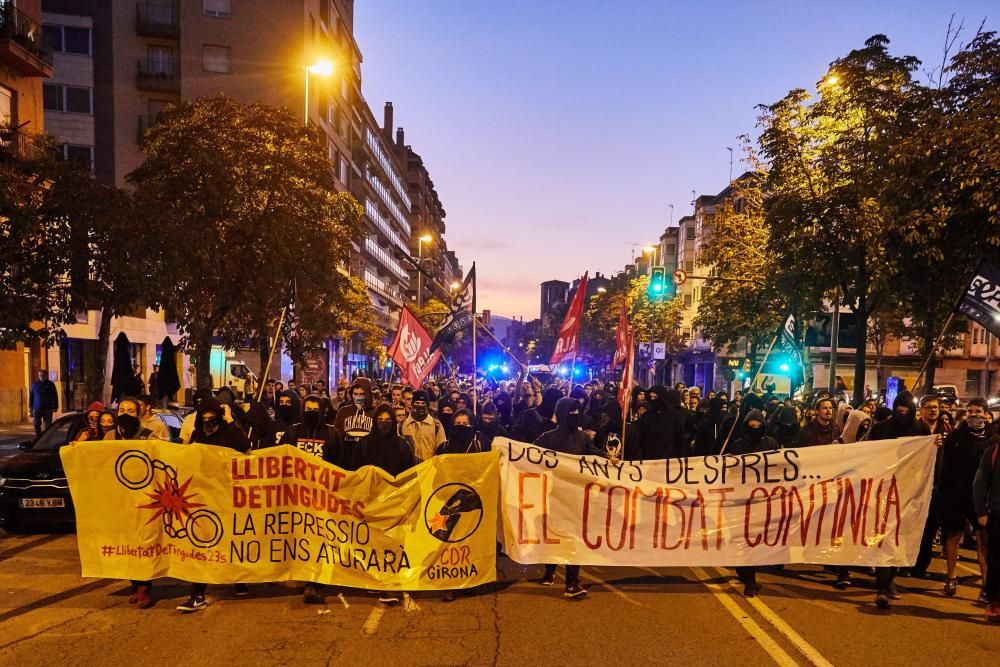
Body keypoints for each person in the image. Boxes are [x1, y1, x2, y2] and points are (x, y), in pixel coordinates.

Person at [177, 397, 250, 612]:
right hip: (202, 496)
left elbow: (244, 446)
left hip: (226, 494)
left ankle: (239, 579)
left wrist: (229, 421)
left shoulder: (228, 432)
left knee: (230, 539)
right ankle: (197, 593)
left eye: (213, 417)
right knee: (202, 542)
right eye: (205, 417)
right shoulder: (198, 434)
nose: (209, 421)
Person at [277, 394, 342, 604]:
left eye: (316, 410)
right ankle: (305, 577)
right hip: (297, 497)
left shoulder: (332, 434)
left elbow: (341, 465)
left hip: (322, 497)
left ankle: (313, 581)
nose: (311, 413)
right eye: (308, 409)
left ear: (323, 411)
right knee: (301, 538)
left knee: (318, 539)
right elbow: (279, 459)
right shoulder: (293, 432)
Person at [535, 397, 595, 599]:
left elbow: (595, 457)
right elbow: (530, 455)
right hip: (555, 495)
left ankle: (571, 583)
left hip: (576, 497)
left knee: (572, 538)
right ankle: (549, 572)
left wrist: (611, 459)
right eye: (571, 412)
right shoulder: (547, 438)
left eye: (578, 412)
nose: (575, 416)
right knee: (555, 535)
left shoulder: (582, 438)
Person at [866, 391, 920, 610]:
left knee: (901, 539)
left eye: (907, 412)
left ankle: (890, 580)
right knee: (883, 538)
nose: (903, 415)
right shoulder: (880, 430)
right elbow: (869, 455)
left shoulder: (920, 430)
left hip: (908, 492)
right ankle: (881, 585)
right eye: (899, 412)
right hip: (883, 490)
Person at [939, 397, 991, 599]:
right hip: (957, 495)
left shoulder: (993, 439)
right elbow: (946, 467)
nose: (974, 415)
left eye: (978, 411)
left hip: (981, 499)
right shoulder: (956, 437)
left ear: (986, 414)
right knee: (953, 536)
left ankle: (986, 585)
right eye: (970, 412)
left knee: (983, 540)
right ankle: (951, 578)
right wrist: (945, 494)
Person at [729, 409, 779, 597]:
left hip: (765, 500)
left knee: (758, 539)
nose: (755, 429)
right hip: (743, 501)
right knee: (747, 539)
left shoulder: (771, 444)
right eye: (752, 426)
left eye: (759, 426)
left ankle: (746, 572)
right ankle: (750, 581)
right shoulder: (738, 445)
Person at [913, 395, 952, 578]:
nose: (933, 410)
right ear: (921, 410)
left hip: (937, 487)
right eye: (929, 407)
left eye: (936, 407)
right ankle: (906, 564)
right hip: (915, 487)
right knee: (913, 528)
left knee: (929, 529)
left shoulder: (946, 430)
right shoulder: (914, 429)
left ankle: (921, 567)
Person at [972, 423, 1000, 622]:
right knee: (997, 561)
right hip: (998, 514)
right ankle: (994, 602)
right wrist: (981, 511)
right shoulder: (993, 453)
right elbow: (980, 483)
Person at [400, 390, 447, 461]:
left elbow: (441, 449)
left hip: (429, 468)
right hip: (408, 469)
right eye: (417, 403)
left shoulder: (436, 425)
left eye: (423, 403)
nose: (420, 405)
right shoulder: (403, 425)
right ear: (412, 404)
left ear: (427, 405)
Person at [333, 378, 375, 451]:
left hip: (368, 455)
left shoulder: (375, 413)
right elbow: (336, 438)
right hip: (347, 456)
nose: (358, 397)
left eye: (362, 394)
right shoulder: (343, 412)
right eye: (355, 394)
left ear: (368, 394)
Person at [29, 370, 58, 436]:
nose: (41, 377)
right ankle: (38, 437)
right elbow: (31, 397)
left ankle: (46, 438)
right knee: (36, 424)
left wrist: (55, 406)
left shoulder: (51, 384)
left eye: (43, 376)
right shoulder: (34, 385)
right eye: (40, 376)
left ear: (46, 376)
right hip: (37, 408)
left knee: (48, 425)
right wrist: (30, 408)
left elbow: (55, 396)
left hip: (48, 408)